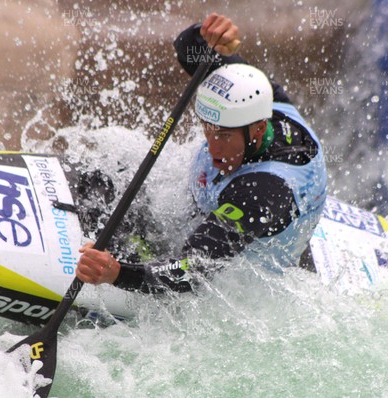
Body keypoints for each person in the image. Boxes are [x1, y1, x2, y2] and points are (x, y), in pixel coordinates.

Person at [75, 13, 328, 293]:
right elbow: (186, 46)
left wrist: (116, 273)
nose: (212, 145)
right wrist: (209, 35)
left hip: (235, 283)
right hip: (207, 224)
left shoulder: (263, 192)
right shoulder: (258, 96)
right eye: (207, 129)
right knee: (105, 169)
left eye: (223, 135)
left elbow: (190, 272)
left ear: (257, 130)